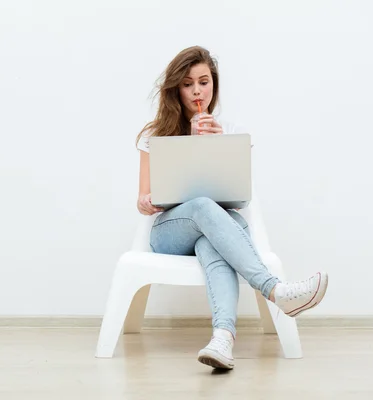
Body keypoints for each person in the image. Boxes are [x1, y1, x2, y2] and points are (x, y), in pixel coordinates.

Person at [135, 46, 328, 370]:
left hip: (216, 227)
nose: (197, 90)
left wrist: (215, 143)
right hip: (170, 231)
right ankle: (275, 290)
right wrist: (147, 199)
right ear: (175, 89)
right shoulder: (156, 134)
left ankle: (222, 338)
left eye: (204, 81)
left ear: (215, 84)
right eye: (187, 83)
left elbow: (240, 196)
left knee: (212, 240)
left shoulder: (232, 131)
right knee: (201, 206)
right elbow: (145, 199)